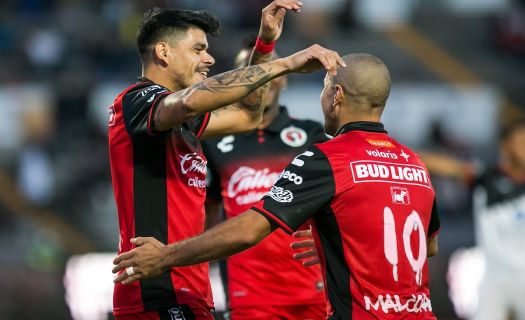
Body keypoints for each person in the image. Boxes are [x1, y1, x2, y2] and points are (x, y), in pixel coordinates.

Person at [112, 53, 439, 319]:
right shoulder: (414, 163)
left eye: (325, 86)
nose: (323, 95)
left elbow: (248, 231)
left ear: (336, 96)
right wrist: (336, 240)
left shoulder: (325, 157)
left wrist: (165, 256)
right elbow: (428, 246)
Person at [107, 1, 347, 319]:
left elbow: (248, 115)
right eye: (198, 49)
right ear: (163, 52)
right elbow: (191, 101)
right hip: (154, 290)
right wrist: (285, 64)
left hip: (188, 290)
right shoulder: (135, 102)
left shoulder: (185, 123)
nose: (209, 59)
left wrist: (265, 44)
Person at [202, 38, 328, 320]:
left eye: (270, 69)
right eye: (251, 71)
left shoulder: (312, 135)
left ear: (283, 79)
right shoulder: (212, 142)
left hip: (315, 291)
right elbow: (206, 215)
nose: (262, 78)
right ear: (237, 81)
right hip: (250, 296)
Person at [421, 120, 525, 320]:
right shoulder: (486, 179)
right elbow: (448, 167)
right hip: (494, 279)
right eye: (521, 142)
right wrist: (399, 154)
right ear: (505, 146)